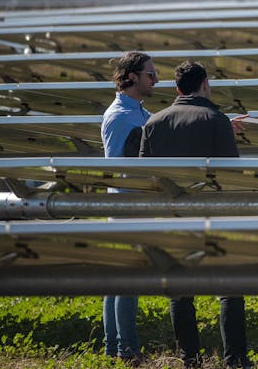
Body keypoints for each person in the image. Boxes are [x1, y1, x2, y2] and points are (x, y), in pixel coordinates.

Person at [140, 60, 250, 369]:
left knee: (180, 291)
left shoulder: (154, 123)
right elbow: (233, 173)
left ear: (177, 88)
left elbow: (144, 175)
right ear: (204, 85)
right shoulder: (216, 119)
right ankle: (235, 360)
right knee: (229, 289)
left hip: (173, 214)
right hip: (213, 212)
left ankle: (190, 359)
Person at [100, 51, 159, 365]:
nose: (156, 79)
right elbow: (124, 165)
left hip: (128, 200)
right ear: (132, 76)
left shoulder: (135, 110)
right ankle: (127, 351)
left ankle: (114, 347)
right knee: (130, 279)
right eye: (151, 74)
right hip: (129, 201)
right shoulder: (122, 115)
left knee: (120, 279)